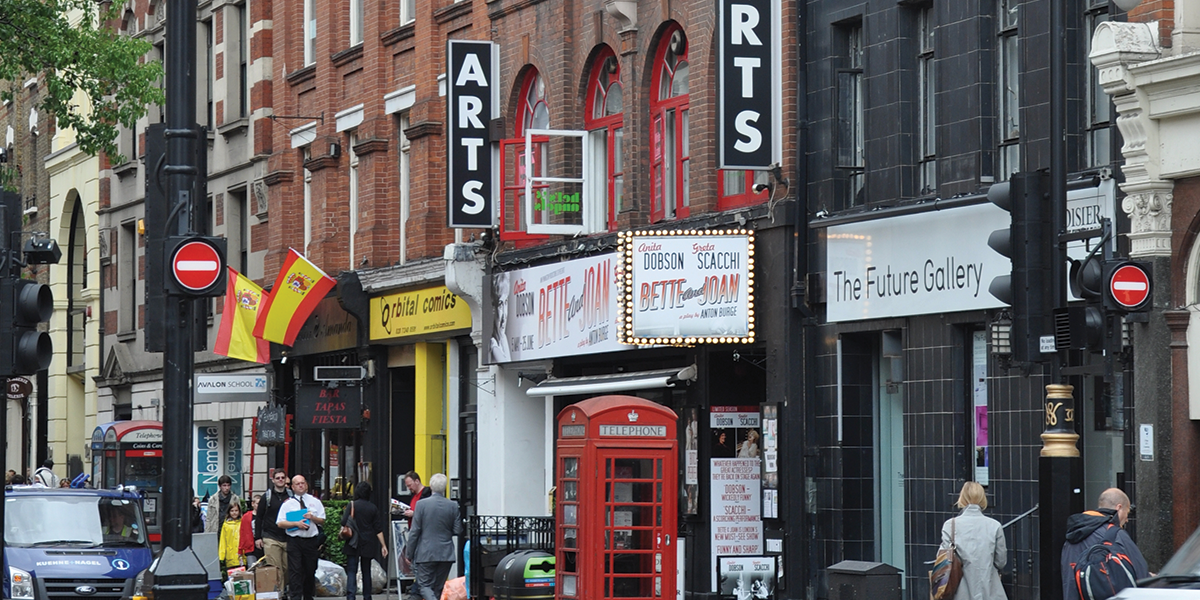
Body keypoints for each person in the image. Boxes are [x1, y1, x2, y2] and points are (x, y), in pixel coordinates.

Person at [1061, 487, 1150, 600]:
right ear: (1119, 508)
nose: (1127, 519)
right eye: (1127, 512)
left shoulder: (1072, 535)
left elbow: (1068, 579)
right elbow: (1141, 575)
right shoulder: (1116, 534)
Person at [940, 481, 1006, 600]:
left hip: (960, 591)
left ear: (962, 498)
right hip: (990, 590)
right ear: (983, 498)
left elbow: (943, 560)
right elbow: (1001, 561)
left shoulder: (950, 525)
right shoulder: (995, 526)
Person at [406, 473, 462, 600]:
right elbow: (457, 530)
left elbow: (415, 531)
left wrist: (409, 553)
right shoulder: (453, 506)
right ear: (445, 487)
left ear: (431, 486)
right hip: (446, 553)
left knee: (424, 586)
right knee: (438, 587)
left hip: (426, 552)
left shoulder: (421, 505)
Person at [277, 475, 325, 600]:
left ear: (306, 485)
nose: (301, 485)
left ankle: (308, 595)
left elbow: (322, 520)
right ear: (292, 487)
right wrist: (296, 524)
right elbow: (280, 523)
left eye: (302, 483)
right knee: (295, 571)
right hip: (295, 540)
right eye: (297, 484)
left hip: (310, 541)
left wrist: (312, 518)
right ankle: (295, 597)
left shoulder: (315, 501)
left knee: (310, 570)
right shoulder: (288, 504)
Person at [344, 481, 389, 600]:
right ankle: (367, 596)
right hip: (368, 542)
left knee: (352, 570)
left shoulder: (352, 505)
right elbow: (378, 529)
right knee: (366, 571)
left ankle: (351, 596)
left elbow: (343, 522)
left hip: (353, 541)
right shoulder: (372, 507)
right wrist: (383, 545)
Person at [256, 471, 294, 585]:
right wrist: (258, 537)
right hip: (270, 536)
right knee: (275, 568)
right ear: (273, 480)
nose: (280, 480)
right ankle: (279, 594)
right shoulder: (266, 497)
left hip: (288, 536)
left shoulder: (291, 496)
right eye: (278, 478)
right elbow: (259, 518)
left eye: (283, 477)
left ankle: (285, 590)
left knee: (287, 568)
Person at [219, 502, 245, 581]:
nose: (234, 513)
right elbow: (223, 540)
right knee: (231, 578)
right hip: (230, 554)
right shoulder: (226, 524)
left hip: (242, 554)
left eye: (236, 510)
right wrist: (221, 555)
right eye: (232, 511)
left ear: (239, 511)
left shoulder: (242, 522)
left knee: (242, 578)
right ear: (229, 512)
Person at [240, 495, 262, 567]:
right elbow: (242, 533)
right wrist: (240, 549)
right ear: (253, 504)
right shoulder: (246, 517)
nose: (259, 506)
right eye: (258, 503)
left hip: (262, 547)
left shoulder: (264, 515)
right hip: (250, 547)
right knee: (251, 568)